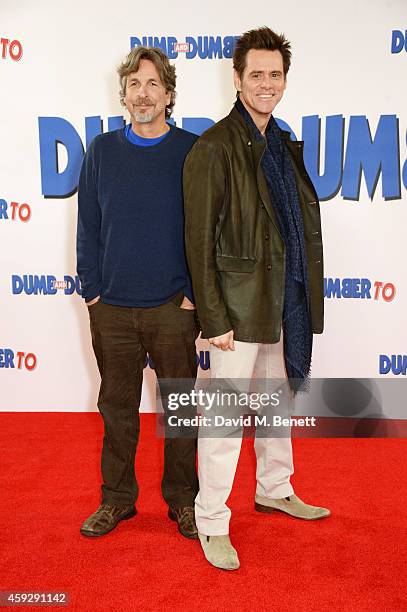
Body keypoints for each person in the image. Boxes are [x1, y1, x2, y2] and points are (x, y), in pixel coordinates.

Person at [183, 26, 330, 570]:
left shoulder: (282, 142)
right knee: (221, 420)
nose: (266, 84)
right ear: (238, 79)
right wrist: (215, 315)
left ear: (284, 80)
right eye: (257, 75)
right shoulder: (214, 147)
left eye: (275, 75)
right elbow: (198, 242)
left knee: (275, 406)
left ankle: (274, 487)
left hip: (280, 300)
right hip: (236, 311)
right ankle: (212, 520)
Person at [76, 46, 199, 539]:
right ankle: (118, 500)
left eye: (153, 85)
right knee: (118, 409)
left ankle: (183, 501)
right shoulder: (102, 151)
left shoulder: (192, 150)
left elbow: (206, 228)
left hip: (173, 308)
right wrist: (92, 291)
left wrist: (192, 293)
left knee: (179, 410)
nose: (143, 94)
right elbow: (88, 225)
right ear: (123, 95)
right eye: (134, 85)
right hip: (113, 309)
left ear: (168, 95)